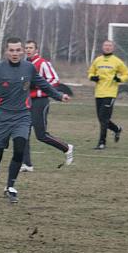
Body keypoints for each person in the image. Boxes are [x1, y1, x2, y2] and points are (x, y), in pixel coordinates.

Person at [0, 37, 70, 203]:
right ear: (6, 52)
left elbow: (44, 85)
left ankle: (11, 186)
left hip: (22, 116)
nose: (15, 53)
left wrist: (59, 95)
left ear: (22, 51)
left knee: (19, 149)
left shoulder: (29, 68)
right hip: (2, 117)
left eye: (18, 50)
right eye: (11, 50)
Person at [21, 40, 74, 171]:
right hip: (27, 102)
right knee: (23, 132)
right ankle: (27, 164)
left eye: (31, 48)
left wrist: (38, 85)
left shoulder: (42, 63)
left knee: (41, 135)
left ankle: (66, 147)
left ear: (36, 50)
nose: (28, 50)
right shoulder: (24, 65)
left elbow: (54, 80)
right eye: (26, 48)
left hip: (40, 101)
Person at [87, 39, 128, 150]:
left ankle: (102, 143)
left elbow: (127, 74)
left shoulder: (117, 61)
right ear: (102, 47)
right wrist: (92, 77)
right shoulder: (98, 60)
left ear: (113, 48)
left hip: (110, 93)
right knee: (101, 118)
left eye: (110, 46)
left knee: (104, 119)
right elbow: (90, 72)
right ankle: (117, 129)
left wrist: (119, 78)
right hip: (98, 93)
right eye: (106, 45)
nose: (107, 47)